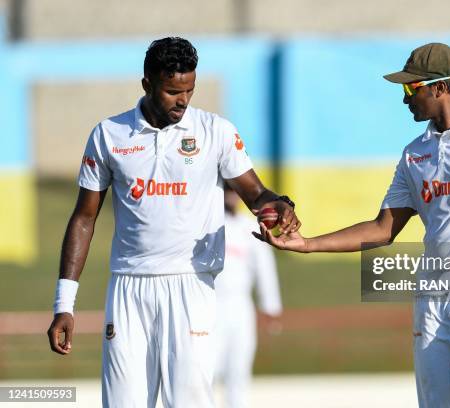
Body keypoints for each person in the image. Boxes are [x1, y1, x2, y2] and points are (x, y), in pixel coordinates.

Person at [256, 42, 450, 407]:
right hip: (433, 298)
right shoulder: (415, 153)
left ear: (440, 87)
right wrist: (306, 244)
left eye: (410, 89)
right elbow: (383, 228)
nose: (404, 99)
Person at [46, 37, 299, 408]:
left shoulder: (216, 131)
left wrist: (278, 206)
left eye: (189, 90)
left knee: (191, 401)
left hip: (192, 285)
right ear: (147, 84)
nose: (182, 101)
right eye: (171, 91)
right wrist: (63, 304)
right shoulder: (109, 135)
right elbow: (84, 218)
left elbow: (255, 193)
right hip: (129, 287)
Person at [214, 184, 283, 408]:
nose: (232, 196)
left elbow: (265, 269)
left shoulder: (249, 227)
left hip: (241, 306)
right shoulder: (209, 224)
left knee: (240, 369)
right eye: (228, 191)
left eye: (235, 192)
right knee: (208, 370)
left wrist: (271, 307)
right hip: (210, 306)